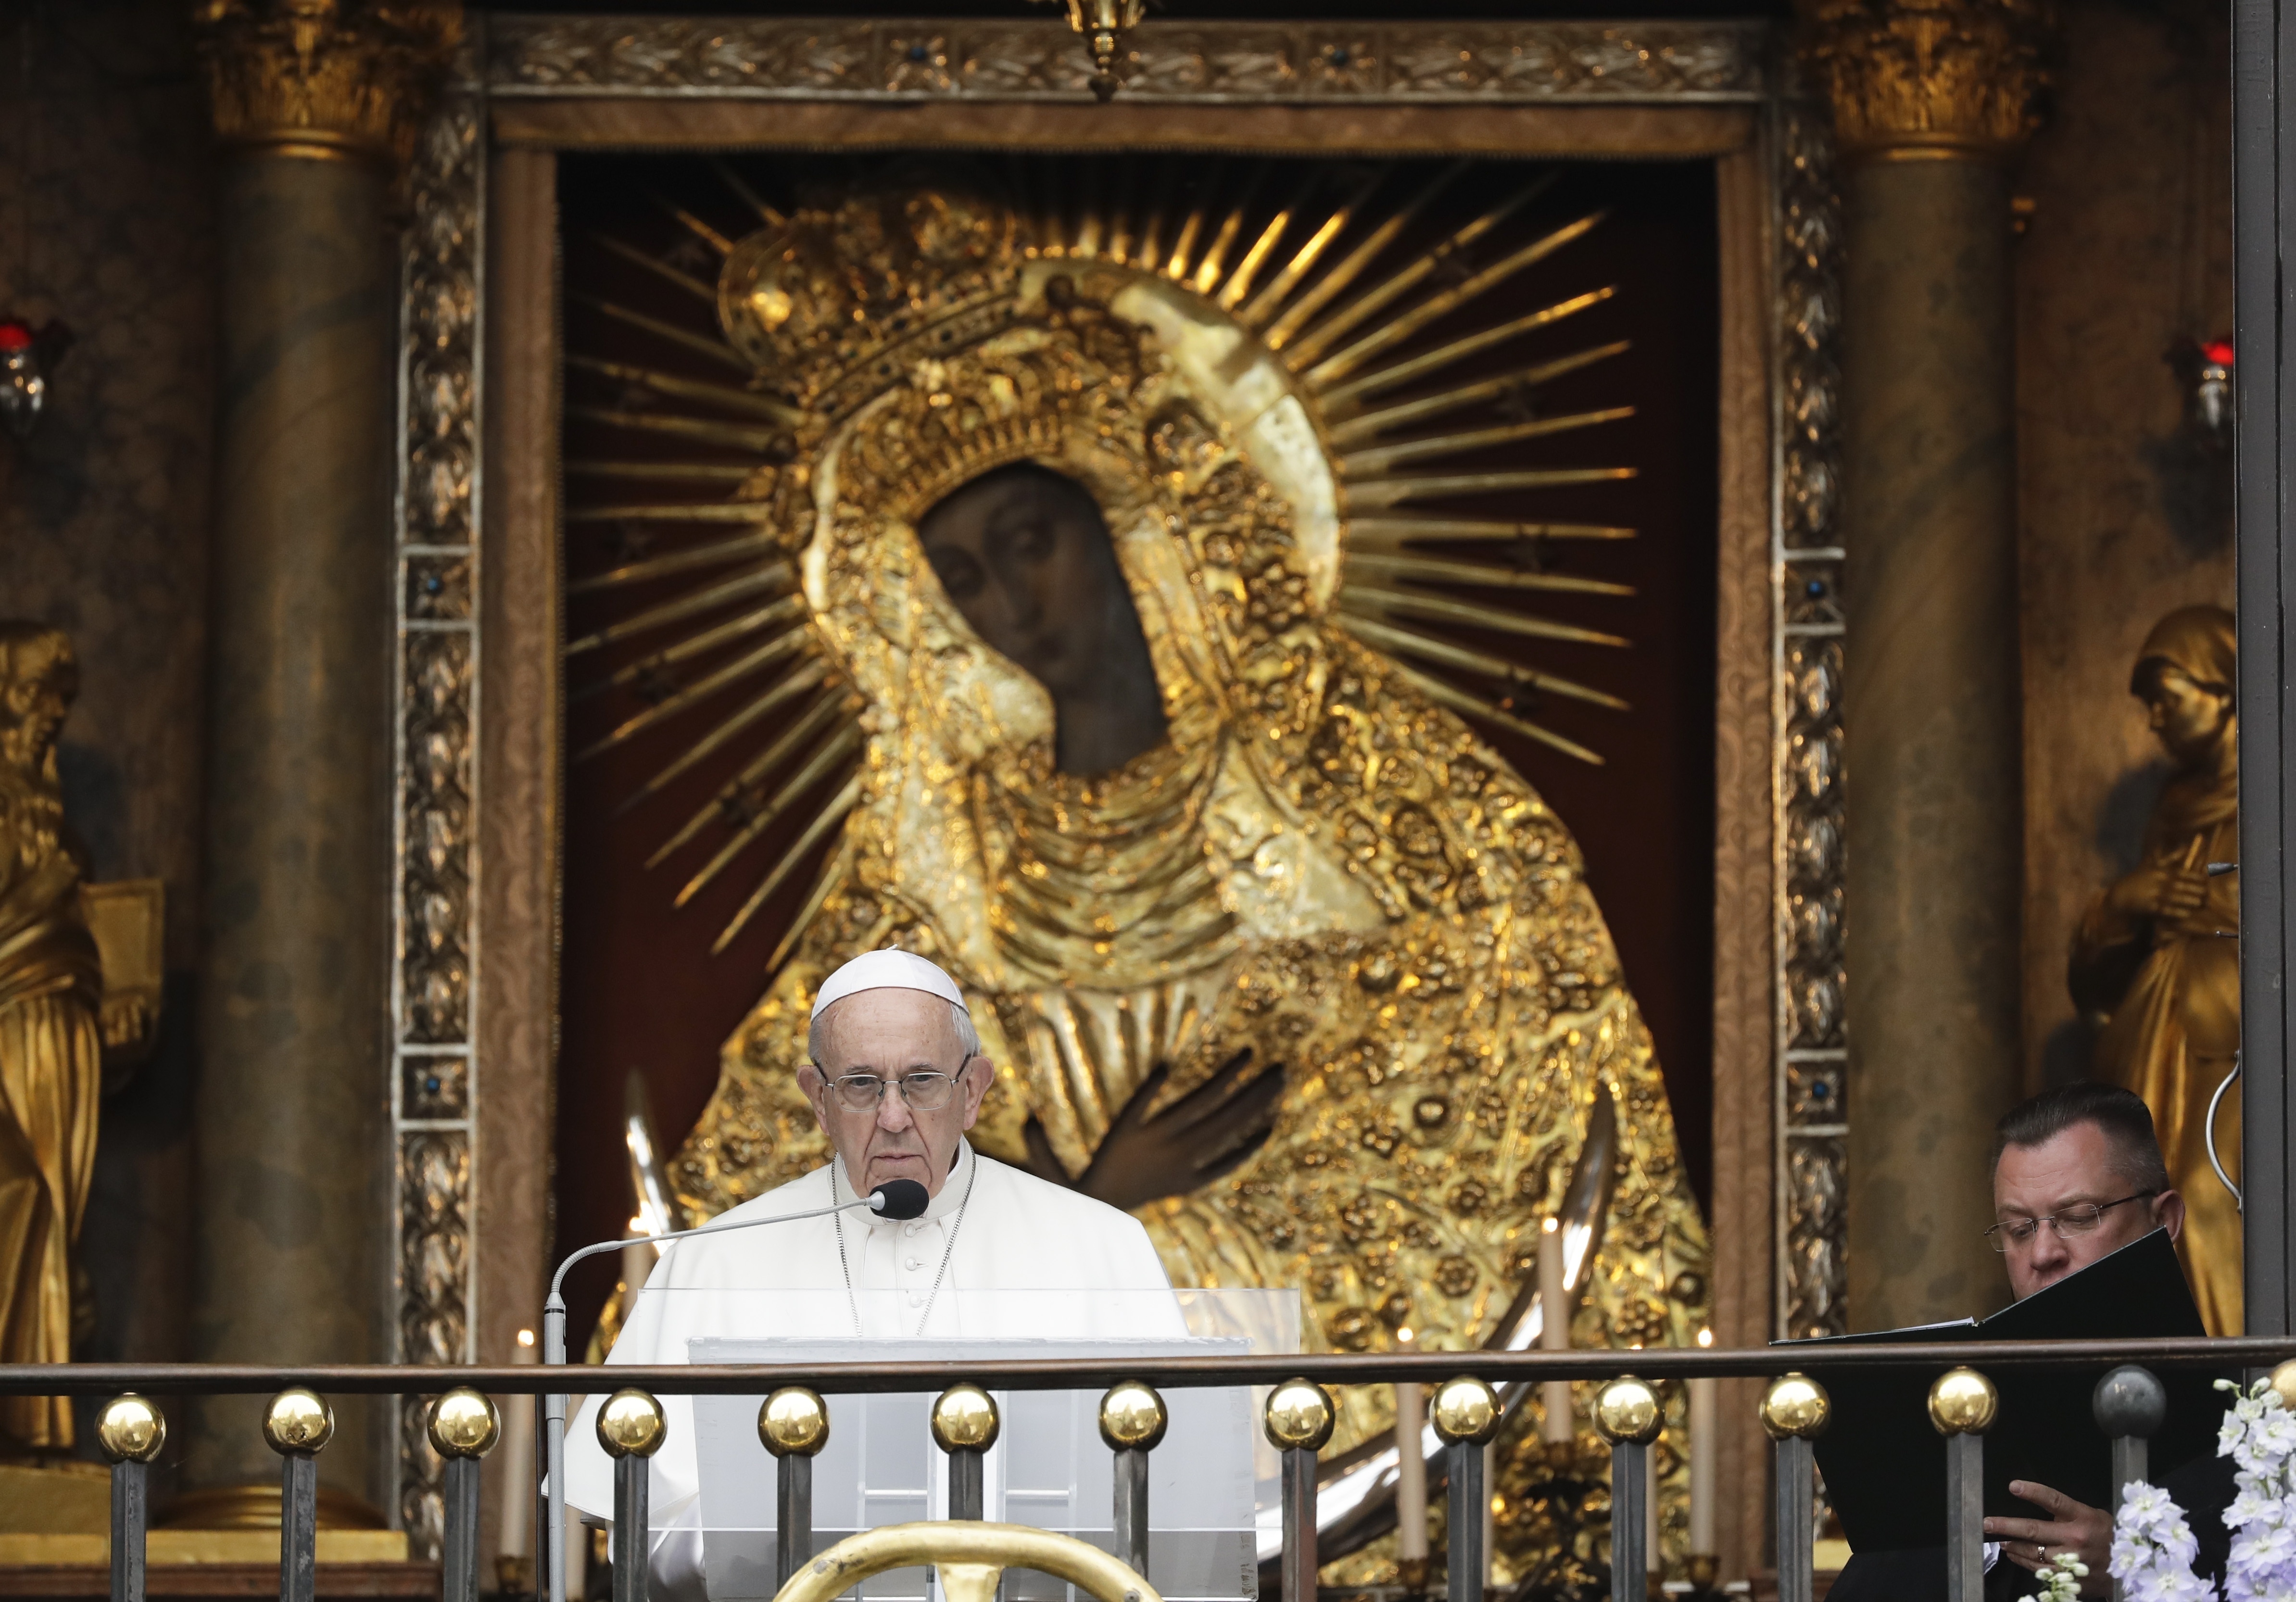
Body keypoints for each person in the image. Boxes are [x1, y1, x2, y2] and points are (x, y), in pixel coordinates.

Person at [564, 947, 1180, 1602]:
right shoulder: (716, 1258)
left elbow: (1172, 1508)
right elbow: (643, 1537)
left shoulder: (1102, 1245)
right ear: (818, 1099)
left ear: (972, 1091)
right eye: (860, 1084)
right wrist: (775, 1525)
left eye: (922, 1080)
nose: (892, 1116)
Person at [1829, 1083, 2227, 1602]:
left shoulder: (2248, 1432)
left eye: (2079, 1216)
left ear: (2164, 1220)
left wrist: (2137, 1570)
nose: (2042, 1253)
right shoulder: (1959, 1423)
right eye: (2019, 1229)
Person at [2068, 604, 2241, 1335]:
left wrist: (2213, 902)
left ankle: (2245, 1385)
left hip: (2240, 1038)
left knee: (2206, 1195)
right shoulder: (2175, 808)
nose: (2155, 721)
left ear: (2222, 687)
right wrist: (2125, 902)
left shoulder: (2273, 788)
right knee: (2134, 1212)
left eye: (2168, 699)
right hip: (2161, 1041)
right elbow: (2092, 983)